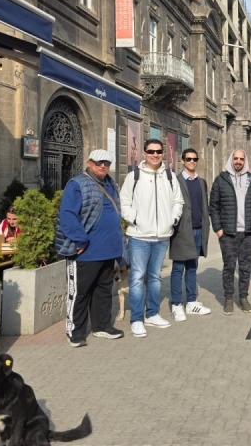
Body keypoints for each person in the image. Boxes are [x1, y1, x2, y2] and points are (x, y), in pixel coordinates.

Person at [55, 150, 124, 347]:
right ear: (89, 162)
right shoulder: (77, 184)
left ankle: (102, 326)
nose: (102, 166)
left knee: (103, 290)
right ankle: (75, 332)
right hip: (85, 252)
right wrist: (80, 240)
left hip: (108, 250)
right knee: (80, 293)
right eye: (98, 162)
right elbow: (68, 214)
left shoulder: (111, 184)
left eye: (106, 163)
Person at [120, 139, 184, 338]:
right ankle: (137, 319)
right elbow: (124, 203)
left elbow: (178, 201)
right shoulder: (134, 176)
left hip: (162, 236)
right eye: (151, 151)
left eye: (158, 151)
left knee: (155, 277)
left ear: (162, 153)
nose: (155, 155)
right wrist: (136, 219)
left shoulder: (169, 176)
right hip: (139, 236)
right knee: (137, 278)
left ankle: (152, 314)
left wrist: (172, 220)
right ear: (144, 153)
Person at [209, 150, 251, 315]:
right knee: (229, 266)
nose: (238, 161)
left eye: (241, 159)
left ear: (245, 161)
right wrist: (218, 229)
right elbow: (214, 206)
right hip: (228, 233)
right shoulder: (221, 180)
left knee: (245, 267)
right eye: (236, 158)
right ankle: (228, 298)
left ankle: (243, 298)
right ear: (231, 160)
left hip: (249, 233)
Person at [169, 148, 211, 321]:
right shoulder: (176, 181)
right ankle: (176, 304)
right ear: (182, 161)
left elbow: (204, 205)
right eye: (188, 159)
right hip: (181, 231)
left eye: (194, 159)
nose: (192, 162)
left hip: (198, 229)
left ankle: (191, 302)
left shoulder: (201, 182)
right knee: (178, 268)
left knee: (193, 267)